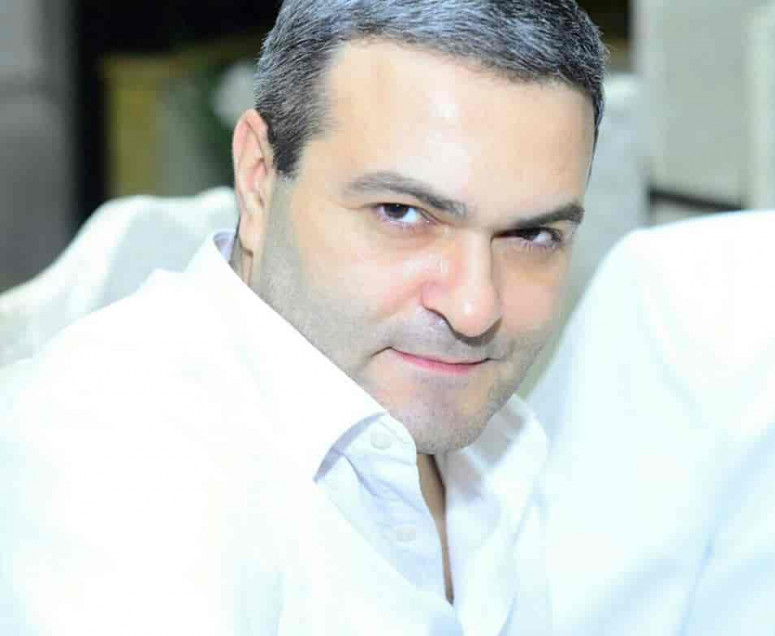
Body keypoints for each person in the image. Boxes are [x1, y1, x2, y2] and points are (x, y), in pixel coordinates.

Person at [0, 0, 608, 633]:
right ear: (258, 178)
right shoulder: (113, 467)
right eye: (402, 213)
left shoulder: (498, 439)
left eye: (532, 235)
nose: (476, 309)